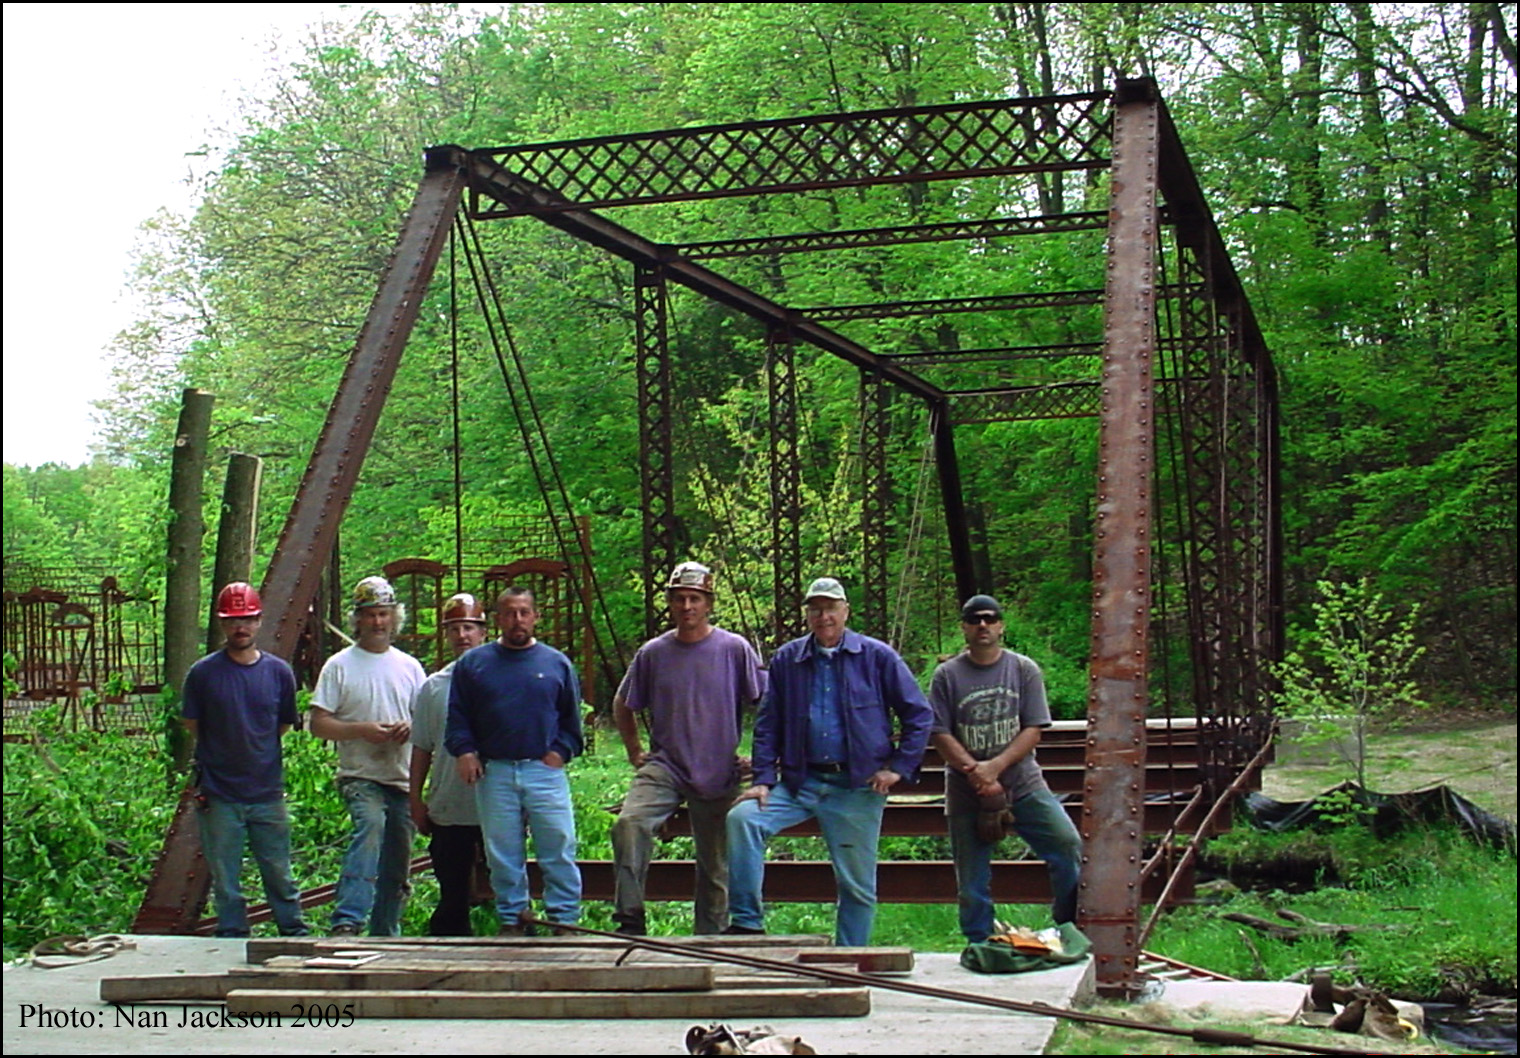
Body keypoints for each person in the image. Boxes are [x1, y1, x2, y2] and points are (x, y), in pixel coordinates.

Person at [727, 576, 932, 947]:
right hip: (800, 782)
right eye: (816, 609)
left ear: (845, 611)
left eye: (831, 608)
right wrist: (762, 779)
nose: (824, 617)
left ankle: (850, 958)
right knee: (743, 819)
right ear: (808, 615)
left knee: (856, 884)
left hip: (855, 786)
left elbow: (918, 714)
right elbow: (768, 723)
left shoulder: (877, 657)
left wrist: (899, 768)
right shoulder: (788, 659)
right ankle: (746, 924)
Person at [611, 561, 765, 935]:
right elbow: (623, 703)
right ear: (669, 603)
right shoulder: (654, 652)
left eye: (694, 599)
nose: (686, 606)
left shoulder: (734, 649)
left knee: (715, 864)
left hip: (719, 767)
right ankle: (629, 916)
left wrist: (762, 759)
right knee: (629, 824)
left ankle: (710, 938)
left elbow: (768, 703)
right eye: (679, 598)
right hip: (666, 765)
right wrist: (634, 750)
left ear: (708, 603)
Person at [929, 593, 1083, 943]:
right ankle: (980, 943)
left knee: (1067, 844)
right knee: (971, 879)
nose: (982, 625)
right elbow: (939, 732)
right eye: (974, 620)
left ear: (1001, 626)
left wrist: (994, 768)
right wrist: (976, 773)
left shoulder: (1023, 670)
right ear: (964, 628)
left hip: (1023, 783)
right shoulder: (946, 676)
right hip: (966, 791)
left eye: (990, 618)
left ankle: (1068, 927)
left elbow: (1033, 729)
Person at [446, 588, 584, 933]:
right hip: (495, 771)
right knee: (502, 853)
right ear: (498, 619)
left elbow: (572, 722)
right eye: (509, 613)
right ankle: (512, 919)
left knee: (558, 845)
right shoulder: (474, 665)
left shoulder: (556, 664)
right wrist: (465, 751)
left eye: (524, 612)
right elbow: (458, 718)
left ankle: (564, 920)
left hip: (544, 770)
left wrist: (559, 753)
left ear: (536, 617)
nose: (517, 620)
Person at [181, 582, 309, 938]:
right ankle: (232, 937)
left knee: (279, 871)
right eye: (234, 620)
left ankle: (294, 934)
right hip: (220, 793)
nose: (241, 627)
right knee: (226, 878)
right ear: (223, 624)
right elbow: (192, 723)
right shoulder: (203, 674)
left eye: (248, 619)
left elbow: (283, 724)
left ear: (259, 621)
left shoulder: (279, 672)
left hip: (267, 792)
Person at [309, 575, 425, 936]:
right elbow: (319, 724)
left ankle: (386, 932)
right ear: (357, 619)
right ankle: (348, 920)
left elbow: (428, 722)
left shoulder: (410, 667)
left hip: (401, 777)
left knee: (398, 858)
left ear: (395, 618)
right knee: (371, 828)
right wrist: (361, 730)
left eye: (384, 614)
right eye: (371, 614)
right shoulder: (339, 666)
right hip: (359, 775)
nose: (378, 622)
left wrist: (410, 728)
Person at [408, 592, 490, 935]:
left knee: (506, 894)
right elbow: (422, 747)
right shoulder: (434, 687)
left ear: (483, 631)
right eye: (454, 628)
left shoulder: (505, 680)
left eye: (469, 627)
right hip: (449, 809)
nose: (462, 635)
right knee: (452, 898)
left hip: (497, 807)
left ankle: (513, 950)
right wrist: (416, 799)